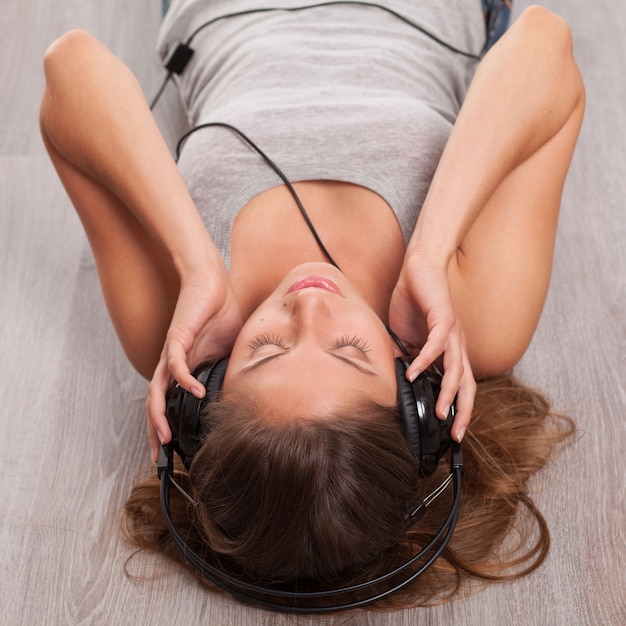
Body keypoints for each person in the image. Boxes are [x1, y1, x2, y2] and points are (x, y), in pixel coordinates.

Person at [39, 0, 584, 610]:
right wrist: (429, 253)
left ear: (208, 393)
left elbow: (71, 67)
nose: (308, 309)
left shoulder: (176, 333)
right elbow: (544, 40)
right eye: (349, 350)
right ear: (420, 405)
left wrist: (196, 263)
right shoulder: (475, 318)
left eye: (266, 348)